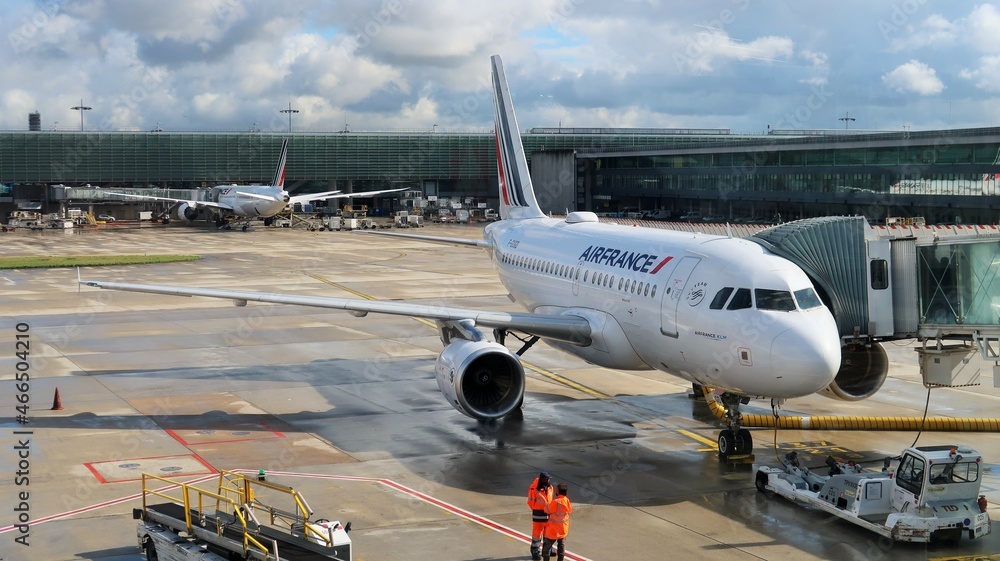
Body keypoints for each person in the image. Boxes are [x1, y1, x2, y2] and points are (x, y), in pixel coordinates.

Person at [526, 471, 554, 560]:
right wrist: (536, 509)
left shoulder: (550, 487)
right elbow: (530, 502)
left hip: (548, 515)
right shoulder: (534, 489)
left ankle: (547, 550)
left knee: (548, 534)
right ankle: (535, 551)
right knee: (537, 535)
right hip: (538, 514)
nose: (548, 480)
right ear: (543, 479)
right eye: (547, 478)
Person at [542, 483, 573, 561]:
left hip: (553, 530)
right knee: (561, 547)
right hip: (563, 529)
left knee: (546, 549)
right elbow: (570, 510)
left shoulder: (555, 502)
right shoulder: (567, 500)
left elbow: (546, 510)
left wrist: (548, 504)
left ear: (558, 491)